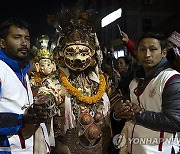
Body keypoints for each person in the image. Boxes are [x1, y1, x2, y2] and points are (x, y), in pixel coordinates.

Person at [47, 8, 111, 154]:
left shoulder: (103, 81)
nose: (77, 59)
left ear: (93, 55)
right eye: (71, 53)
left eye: (83, 53)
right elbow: (45, 100)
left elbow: (113, 107)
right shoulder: (54, 82)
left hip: (99, 146)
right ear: (61, 55)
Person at [113, 32, 180, 153]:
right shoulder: (134, 81)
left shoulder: (171, 79)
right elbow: (129, 114)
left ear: (163, 52)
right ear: (137, 52)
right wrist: (119, 114)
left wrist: (138, 114)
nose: (147, 54)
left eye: (153, 49)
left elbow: (175, 121)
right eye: (142, 49)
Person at [0, 18, 49, 154]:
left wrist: (35, 113)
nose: (24, 43)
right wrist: (22, 119)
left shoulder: (22, 71)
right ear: (2, 43)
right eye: (17, 37)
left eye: (27, 38)